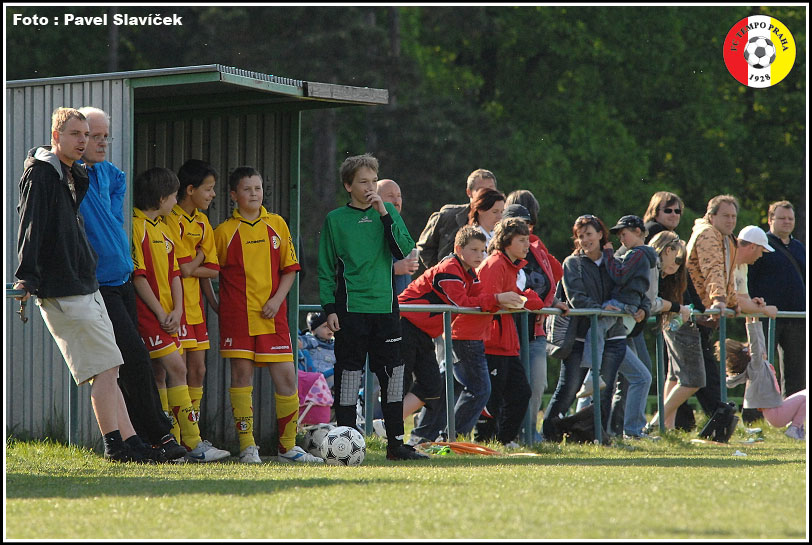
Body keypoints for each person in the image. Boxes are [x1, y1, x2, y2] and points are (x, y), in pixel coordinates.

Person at [14, 107, 148, 462]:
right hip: (63, 288)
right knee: (103, 369)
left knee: (111, 365)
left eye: (87, 135)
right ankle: (115, 446)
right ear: (56, 136)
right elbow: (30, 226)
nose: (83, 141)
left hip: (85, 282)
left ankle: (131, 441)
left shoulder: (74, 174)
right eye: (76, 134)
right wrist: (26, 277)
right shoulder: (42, 174)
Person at [75, 106, 186, 462]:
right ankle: (158, 435)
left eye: (105, 136)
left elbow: (111, 220)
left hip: (121, 278)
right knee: (132, 358)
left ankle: (136, 439)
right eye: (94, 136)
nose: (101, 143)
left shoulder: (111, 175)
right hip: (98, 285)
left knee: (126, 362)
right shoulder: (71, 176)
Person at [317, 153, 428, 460]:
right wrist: (330, 308)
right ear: (348, 185)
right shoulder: (335, 220)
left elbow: (404, 249)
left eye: (373, 181)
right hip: (350, 311)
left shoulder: (386, 211)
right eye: (363, 181)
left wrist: (383, 213)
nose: (369, 187)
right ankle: (347, 445)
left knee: (393, 377)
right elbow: (325, 270)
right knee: (349, 378)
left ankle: (396, 444)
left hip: (386, 311)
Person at [214, 166, 322, 464]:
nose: (254, 194)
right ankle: (248, 447)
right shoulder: (223, 232)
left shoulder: (277, 224)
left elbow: (290, 270)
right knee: (241, 377)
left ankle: (288, 448)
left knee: (286, 376)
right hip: (239, 318)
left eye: (258, 188)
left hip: (274, 316)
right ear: (233, 195)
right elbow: (207, 271)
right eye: (247, 189)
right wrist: (216, 304)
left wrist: (276, 300)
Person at [132, 167, 231, 463]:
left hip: (169, 314)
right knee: (176, 370)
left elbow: (176, 272)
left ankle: (171, 443)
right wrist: (162, 311)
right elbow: (139, 277)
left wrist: (177, 309)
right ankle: (189, 442)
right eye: (173, 196)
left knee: (170, 372)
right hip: (150, 315)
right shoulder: (136, 226)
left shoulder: (162, 227)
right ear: (161, 197)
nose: (176, 202)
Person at [399, 225, 522, 444]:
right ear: (458, 249)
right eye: (474, 250)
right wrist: (497, 299)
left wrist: (507, 300)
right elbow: (462, 304)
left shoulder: (469, 273)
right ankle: (387, 428)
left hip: (424, 331)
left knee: (431, 385)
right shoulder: (449, 268)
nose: (480, 255)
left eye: (483, 250)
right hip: (404, 324)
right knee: (401, 383)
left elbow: (480, 296)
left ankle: (390, 426)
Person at [542, 215, 629, 440]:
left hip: (613, 336)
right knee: (568, 389)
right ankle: (548, 436)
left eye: (589, 234)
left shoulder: (614, 262)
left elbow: (625, 289)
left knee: (605, 391)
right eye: (580, 236)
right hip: (579, 337)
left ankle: (598, 436)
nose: (585, 240)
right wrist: (602, 309)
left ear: (600, 234)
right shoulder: (572, 263)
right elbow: (576, 298)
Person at [475, 218, 545, 446]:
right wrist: (517, 300)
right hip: (492, 342)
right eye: (522, 240)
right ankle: (485, 441)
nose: (527, 245)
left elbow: (520, 299)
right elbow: (486, 301)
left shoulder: (509, 266)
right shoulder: (495, 264)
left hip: (506, 343)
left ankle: (503, 440)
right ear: (506, 241)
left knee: (520, 392)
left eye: (528, 240)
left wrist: (526, 299)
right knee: (493, 397)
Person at [502, 195, 567, 441]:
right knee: (509, 386)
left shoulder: (537, 248)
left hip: (534, 330)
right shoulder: (496, 255)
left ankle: (528, 433)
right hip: (507, 330)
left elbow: (556, 274)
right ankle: (505, 435)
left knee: (537, 383)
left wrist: (550, 302)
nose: (525, 230)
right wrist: (535, 303)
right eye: (518, 224)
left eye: (528, 224)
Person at [165, 159, 220, 433]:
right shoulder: (171, 218)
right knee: (179, 371)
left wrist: (214, 304)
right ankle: (178, 435)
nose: (212, 194)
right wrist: (200, 255)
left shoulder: (202, 222)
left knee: (198, 371)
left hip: (196, 309)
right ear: (190, 190)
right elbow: (185, 269)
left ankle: (191, 435)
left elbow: (213, 270)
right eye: (208, 189)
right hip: (176, 307)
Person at [685, 194, 740, 421]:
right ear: (711, 215)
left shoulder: (725, 238)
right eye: (725, 215)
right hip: (697, 312)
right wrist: (719, 299)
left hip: (701, 312)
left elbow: (728, 275)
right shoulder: (708, 234)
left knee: (685, 375)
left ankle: (667, 423)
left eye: (734, 216)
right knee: (701, 375)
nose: (731, 220)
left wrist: (733, 302)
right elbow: (712, 268)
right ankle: (721, 420)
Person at [644, 232, 704, 432]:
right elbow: (651, 303)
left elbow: (690, 298)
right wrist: (679, 308)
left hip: (675, 322)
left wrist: (690, 309)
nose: (676, 264)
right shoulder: (651, 267)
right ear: (664, 250)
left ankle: (665, 427)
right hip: (674, 324)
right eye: (674, 256)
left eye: (680, 261)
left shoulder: (669, 276)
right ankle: (655, 424)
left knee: (674, 376)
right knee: (693, 380)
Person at [748, 201, 806, 397]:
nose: (787, 222)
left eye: (790, 218)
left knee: (796, 374)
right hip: (767, 316)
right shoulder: (761, 245)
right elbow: (750, 278)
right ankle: (754, 411)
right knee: (760, 366)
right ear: (770, 219)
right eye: (782, 218)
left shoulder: (799, 247)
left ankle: (793, 411)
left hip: (797, 317)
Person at [721, 316, 806, 440]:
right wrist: (749, 322)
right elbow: (755, 343)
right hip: (776, 414)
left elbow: (760, 341)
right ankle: (795, 428)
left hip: (776, 410)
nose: (762, 350)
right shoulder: (756, 366)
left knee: (805, 395)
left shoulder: (760, 365)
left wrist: (755, 319)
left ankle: (797, 427)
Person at [416, 168, 497, 270]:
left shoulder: (503, 221)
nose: (487, 194)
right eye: (481, 190)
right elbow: (425, 247)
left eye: (490, 190)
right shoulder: (448, 216)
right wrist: (441, 271)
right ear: (469, 192)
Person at [377, 178, 418, 295]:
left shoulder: (400, 227)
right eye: (390, 196)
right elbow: (360, 272)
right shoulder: (371, 229)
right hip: (379, 303)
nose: (396, 201)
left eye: (399, 196)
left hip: (403, 303)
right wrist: (393, 269)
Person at [298, 311, 336, 388]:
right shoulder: (311, 340)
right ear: (313, 331)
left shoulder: (334, 343)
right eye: (325, 326)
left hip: (332, 375)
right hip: (318, 378)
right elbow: (299, 343)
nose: (330, 329)